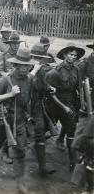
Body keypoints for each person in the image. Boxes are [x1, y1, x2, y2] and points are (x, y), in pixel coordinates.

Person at [0, 47, 36, 194]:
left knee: (20, 151)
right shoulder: (6, 80)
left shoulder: (30, 80)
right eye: (22, 65)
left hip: (19, 121)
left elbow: (29, 100)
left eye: (27, 65)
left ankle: (20, 183)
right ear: (16, 65)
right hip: (4, 119)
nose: (25, 68)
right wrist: (10, 94)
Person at [46, 43, 85, 171]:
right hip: (56, 103)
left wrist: (82, 103)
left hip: (71, 103)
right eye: (70, 54)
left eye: (75, 55)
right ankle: (37, 144)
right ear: (64, 55)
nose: (73, 57)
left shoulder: (77, 70)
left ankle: (73, 162)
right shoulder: (55, 72)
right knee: (48, 129)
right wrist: (63, 106)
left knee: (71, 131)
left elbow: (79, 87)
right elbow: (50, 94)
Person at [29, 43, 57, 176]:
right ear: (31, 57)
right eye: (36, 58)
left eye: (40, 58)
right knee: (16, 130)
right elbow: (25, 85)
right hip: (23, 105)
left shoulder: (41, 70)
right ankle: (5, 150)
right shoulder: (24, 68)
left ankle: (42, 168)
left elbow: (43, 84)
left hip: (37, 105)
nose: (38, 61)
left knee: (39, 132)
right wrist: (33, 70)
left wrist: (49, 88)